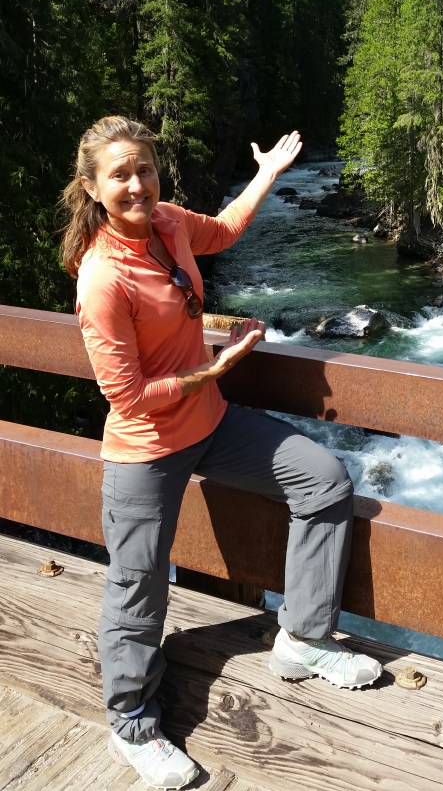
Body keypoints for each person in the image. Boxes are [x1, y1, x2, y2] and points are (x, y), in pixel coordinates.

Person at [60, 115, 382, 791]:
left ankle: (303, 637)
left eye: (144, 168)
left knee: (324, 479)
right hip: (145, 449)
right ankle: (132, 725)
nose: (137, 183)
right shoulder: (100, 279)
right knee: (137, 586)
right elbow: (128, 396)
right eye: (119, 174)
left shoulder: (170, 223)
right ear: (92, 187)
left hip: (210, 425)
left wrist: (265, 173)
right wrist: (217, 365)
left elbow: (226, 228)